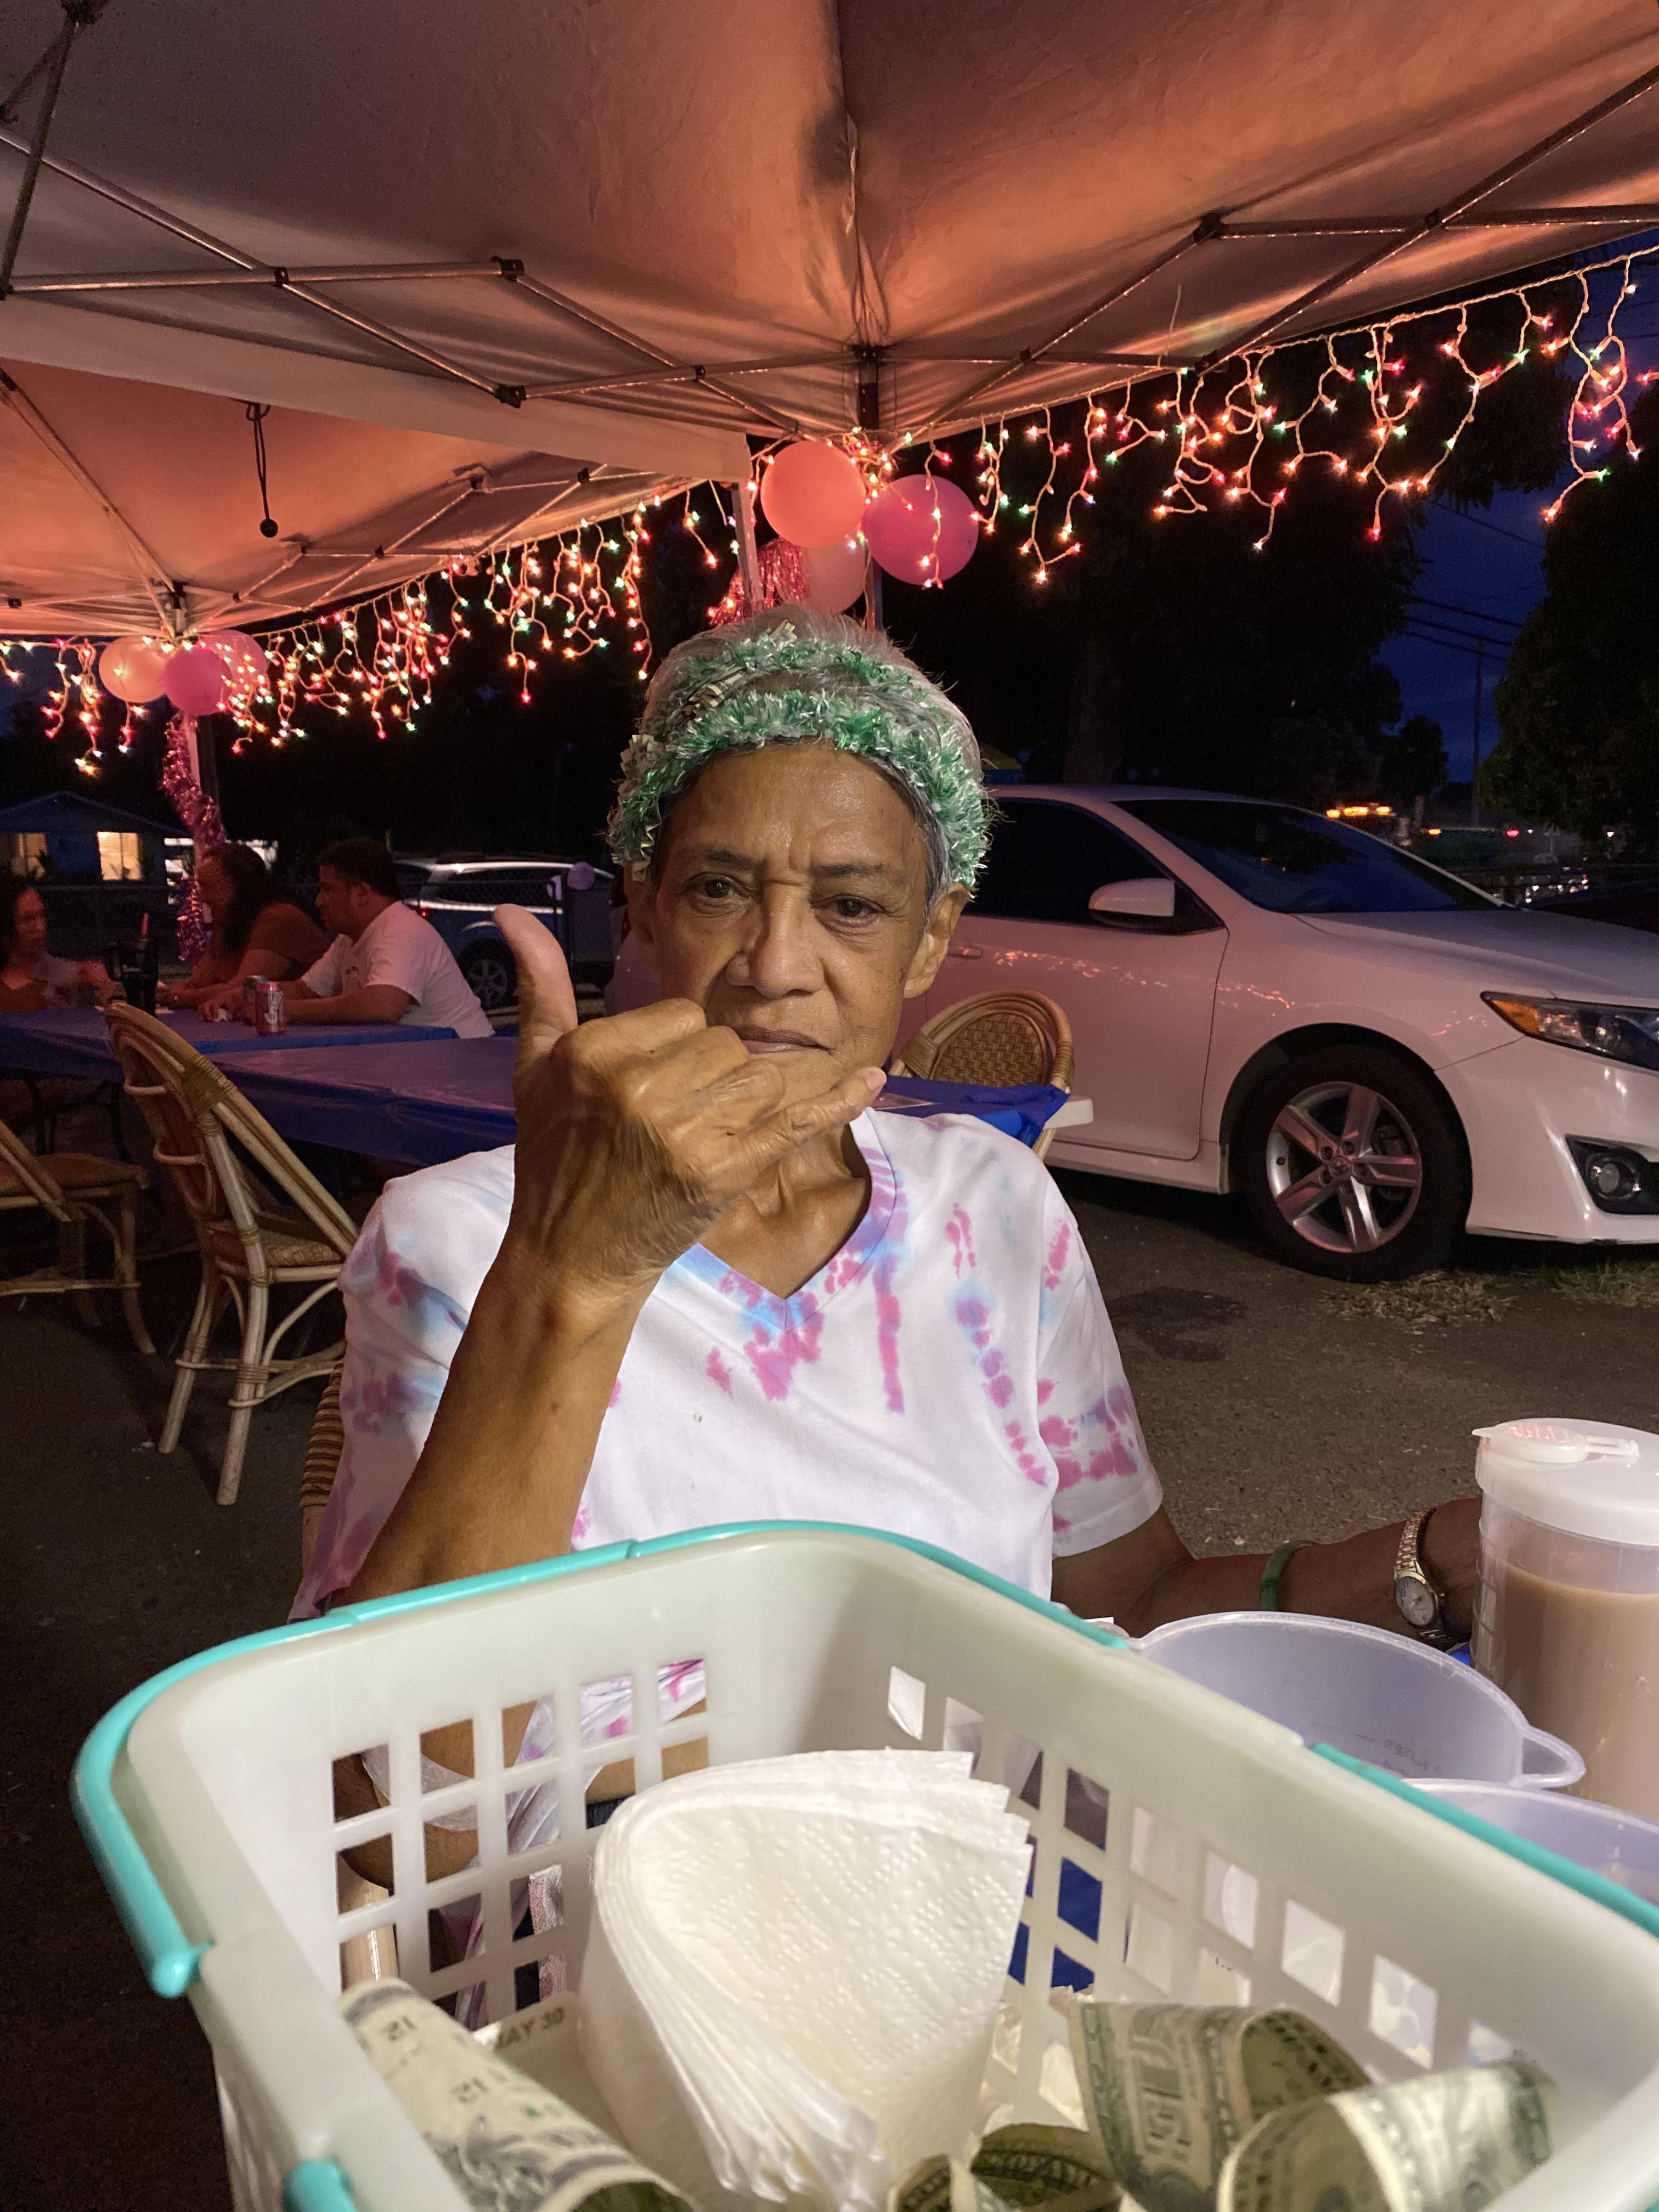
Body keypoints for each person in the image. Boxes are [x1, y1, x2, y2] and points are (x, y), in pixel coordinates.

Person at [302, 611, 1477, 1775]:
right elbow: (404, 1791)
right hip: (593, 1932)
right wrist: (571, 1278)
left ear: (929, 942)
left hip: (977, 1891)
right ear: (646, 903)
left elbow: (1134, 1598)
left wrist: (1441, 1560)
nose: (774, 962)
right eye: (719, 889)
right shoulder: (456, 1242)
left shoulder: (993, 1211)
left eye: (852, 905)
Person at [232, 837, 493, 1037]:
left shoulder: (400, 928)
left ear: (362, 894)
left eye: (327, 890)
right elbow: (305, 990)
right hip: (427, 1061)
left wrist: (282, 1009)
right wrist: (247, 996)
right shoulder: (349, 938)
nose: (318, 901)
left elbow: (383, 1005)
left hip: (463, 1063)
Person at [164, 844, 328, 1012]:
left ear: (238, 885)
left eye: (209, 887)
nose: (203, 898)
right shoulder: (228, 920)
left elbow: (244, 988)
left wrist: (176, 997)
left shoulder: (280, 918)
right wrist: (169, 993)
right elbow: (198, 983)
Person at [0, 879, 117, 1011]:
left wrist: (102, 984)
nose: (41, 927)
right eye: (28, 920)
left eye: (42, 915)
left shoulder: (65, 975)